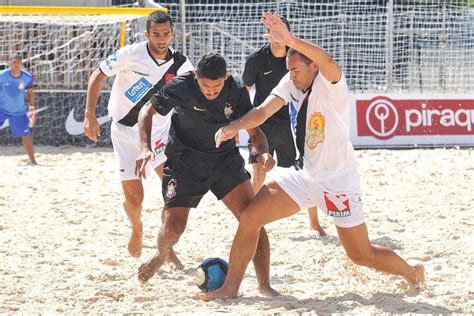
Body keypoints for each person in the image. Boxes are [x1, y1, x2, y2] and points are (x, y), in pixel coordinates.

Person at [197, 12, 425, 302]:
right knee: (250, 216)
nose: (291, 76)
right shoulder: (291, 83)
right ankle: (230, 288)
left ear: (312, 67)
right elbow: (263, 111)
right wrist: (233, 127)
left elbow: (328, 60)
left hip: (338, 181)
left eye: (296, 70)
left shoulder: (331, 85)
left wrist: (290, 39)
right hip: (306, 176)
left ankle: (413, 273)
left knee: (360, 254)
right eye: (289, 70)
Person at [134, 53, 278, 297]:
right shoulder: (182, 85)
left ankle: (265, 285)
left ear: (226, 78)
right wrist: (145, 147)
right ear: (196, 77)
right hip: (184, 163)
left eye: (217, 85)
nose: (211, 91)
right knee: (172, 230)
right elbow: (147, 111)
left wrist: (263, 154)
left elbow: (256, 133)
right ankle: (162, 254)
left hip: (224, 162)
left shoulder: (236, 91)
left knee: (253, 219)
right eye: (205, 86)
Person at [83, 11, 194, 259]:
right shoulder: (130, 54)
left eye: (166, 34)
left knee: (172, 190)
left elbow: (195, 92)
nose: (161, 38)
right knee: (135, 200)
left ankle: (166, 244)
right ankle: (137, 228)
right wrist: (90, 114)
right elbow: (97, 75)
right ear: (147, 34)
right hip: (124, 132)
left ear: (173, 34)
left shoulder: (182, 64)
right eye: (156, 34)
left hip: (159, 133)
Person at [242, 16, 326, 236]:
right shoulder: (256, 59)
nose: (276, 36)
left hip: (290, 124)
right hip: (262, 124)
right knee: (259, 169)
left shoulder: (297, 58)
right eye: (271, 30)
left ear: (288, 33)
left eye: (280, 31)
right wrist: (240, 124)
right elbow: (244, 90)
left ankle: (314, 223)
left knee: (304, 170)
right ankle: (250, 216)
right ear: (267, 33)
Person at [0, 54, 37, 165]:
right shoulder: (2, 75)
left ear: (21, 64)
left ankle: (33, 161)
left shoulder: (27, 77)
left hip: (18, 111)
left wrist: (31, 108)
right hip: (1, 109)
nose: (16, 64)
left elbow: (30, 92)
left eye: (18, 62)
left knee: (26, 135)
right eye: (14, 62)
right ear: (10, 64)